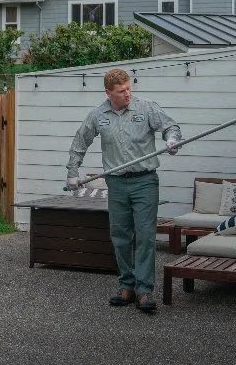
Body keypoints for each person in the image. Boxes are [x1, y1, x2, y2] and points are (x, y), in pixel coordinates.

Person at [66, 68, 181, 313]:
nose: (128, 93)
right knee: (120, 236)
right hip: (116, 183)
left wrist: (172, 140)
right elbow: (80, 142)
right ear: (109, 93)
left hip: (145, 181)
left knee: (146, 236)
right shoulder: (98, 115)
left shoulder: (146, 108)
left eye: (129, 88)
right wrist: (73, 173)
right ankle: (126, 286)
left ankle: (144, 291)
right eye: (121, 91)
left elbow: (170, 127)